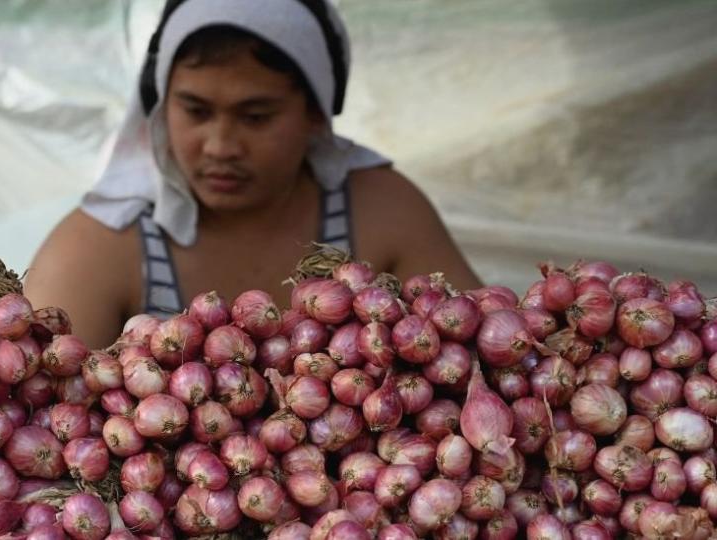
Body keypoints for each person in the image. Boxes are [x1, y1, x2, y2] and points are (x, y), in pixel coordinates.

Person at [24, 0, 481, 349]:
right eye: (195, 111)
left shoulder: (383, 211)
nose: (221, 146)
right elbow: (34, 406)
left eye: (256, 116)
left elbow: (479, 343)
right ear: (161, 107)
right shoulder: (101, 246)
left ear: (317, 115)